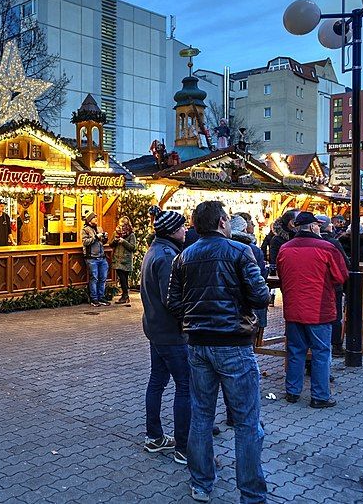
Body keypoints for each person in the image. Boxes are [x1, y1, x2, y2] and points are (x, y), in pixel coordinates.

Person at [168, 200, 269, 503]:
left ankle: (201, 484)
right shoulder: (240, 251)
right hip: (234, 344)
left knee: (201, 416)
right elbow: (261, 296)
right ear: (223, 221)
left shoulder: (183, 257)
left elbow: (173, 303)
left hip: (198, 344)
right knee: (247, 421)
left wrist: (195, 318)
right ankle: (251, 493)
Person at [277, 213, 349, 410]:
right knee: (321, 353)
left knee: (295, 350)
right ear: (313, 227)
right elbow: (341, 276)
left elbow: (282, 277)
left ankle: (292, 391)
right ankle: (319, 396)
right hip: (318, 308)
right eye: (317, 225)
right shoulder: (327, 248)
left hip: (293, 308)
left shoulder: (284, 249)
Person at [140, 209, 189, 463]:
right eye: (182, 226)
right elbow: (172, 299)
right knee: (185, 385)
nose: (185, 230)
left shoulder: (154, 250)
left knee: (157, 380)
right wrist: (188, 319)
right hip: (170, 332)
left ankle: (154, 436)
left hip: (155, 328)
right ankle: (184, 447)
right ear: (171, 230)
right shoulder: (167, 255)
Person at [316, 214, 350, 357]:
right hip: (331, 285)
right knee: (334, 315)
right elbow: (343, 264)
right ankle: (336, 345)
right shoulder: (332, 243)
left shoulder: (307, 241)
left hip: (314, 286)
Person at [82, 212, 109, 307]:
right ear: (89, 220)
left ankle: (101, 297)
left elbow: (103, 242)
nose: (96, 219)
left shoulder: (99, 228)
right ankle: (94, 299)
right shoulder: (85, 230)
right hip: (91, 258)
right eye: (94, 218)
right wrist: (96, 237)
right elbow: (85, 242)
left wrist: (105, 237)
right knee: (94, 278)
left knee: (103, 278)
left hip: (102, 257)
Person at [110, 216, 137, 304]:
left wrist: (124, 242)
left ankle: (125, 295)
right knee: (121, 278)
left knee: (124, 278)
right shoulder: (116, 233)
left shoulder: (131, 235)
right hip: (117, 259)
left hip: (126, 260)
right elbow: (111, 244)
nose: (121, 227)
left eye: (123, 225)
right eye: (120, 225)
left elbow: (133, 248)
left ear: (127, 226)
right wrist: (115, 240)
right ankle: (125, 295)